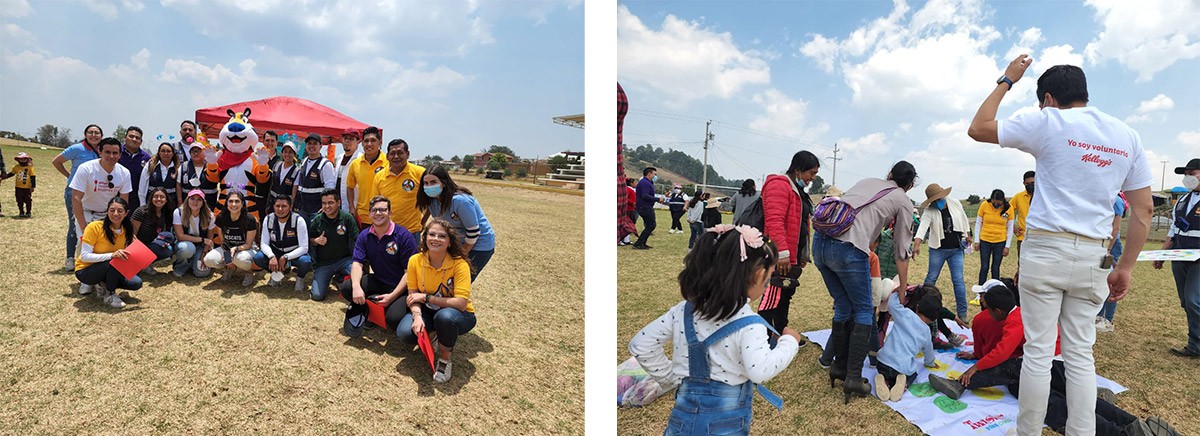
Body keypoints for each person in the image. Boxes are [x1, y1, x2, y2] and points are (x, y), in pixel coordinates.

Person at [967, 55, 1154, 435]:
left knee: (1038, 352)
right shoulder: (1126, 135)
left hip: (1046, 249)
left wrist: (1007, 79)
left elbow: (978, 127)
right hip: (1095, 256)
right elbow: (1144, 209)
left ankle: (1029, 431)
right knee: (1080, 356)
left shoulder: (1049, 121)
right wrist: (1127, 267)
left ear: (1048, 99)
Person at [630, 224, 799, 433]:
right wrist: (789, 342)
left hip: (682, 420)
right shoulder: (750, 324)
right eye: (768, 279)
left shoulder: (683, 311)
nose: (766, 285)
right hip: (727, 423)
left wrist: (669, 379)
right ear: (758, 275)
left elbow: (641, 345)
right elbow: (760, 371)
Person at [816, 161, 916, 404]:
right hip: (849, 251)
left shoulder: (866, 182)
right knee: (863, 310)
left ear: (890, 173)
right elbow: (901, 250)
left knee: (843, 306)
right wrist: (902, 288)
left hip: (820, 245)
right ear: (911, 184)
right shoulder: (903, 200)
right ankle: (852, 377)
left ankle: (838, 367)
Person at [396, 218, 478, 383]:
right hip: (427, 309)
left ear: (449, 242)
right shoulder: (415, 260)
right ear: (425, 238)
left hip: (459, 314)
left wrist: (426, 297)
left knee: (445, 318)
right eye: (431, 234)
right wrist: (417, 316)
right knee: (405, 333)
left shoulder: (459, 264)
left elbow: (461, 303)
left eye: (442, 236)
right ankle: (433, 334)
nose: (436, 239)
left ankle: (445, 358)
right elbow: (412, 294)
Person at [758, 151, 819, 339]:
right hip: (780, 254)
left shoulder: (796, 189)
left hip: (791, 254)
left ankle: (780, 332)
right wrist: (782, 254)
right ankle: (761, 337)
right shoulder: (779, 185)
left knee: (785, 294)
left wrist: (800, 255)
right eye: (811, 173)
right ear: (798, 170)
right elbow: (774, 221)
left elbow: (799, 224)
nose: (813, 178)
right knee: (772, 295)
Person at [340, 195, 418, 337]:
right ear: (369, 214)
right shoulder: (364, 236)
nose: (378, 213)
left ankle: (381, 308)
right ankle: (370, 311)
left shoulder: (404, 236)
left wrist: (392, 296)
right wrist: (357, 287)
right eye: (374, 210)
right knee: (347, 288)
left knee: (393, 320)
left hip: (401, 287)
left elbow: (410, 273)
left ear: (390, 213)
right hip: (379, 280)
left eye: (382, 210)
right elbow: (357, 263)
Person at [416, 165, 497, 282]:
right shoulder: (432, 200)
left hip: (479, 245)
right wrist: (422, 224)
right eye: (426, 183)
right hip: (459, 243)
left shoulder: (460, 201)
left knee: (459, 280)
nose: (429, 186)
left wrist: (459, 256)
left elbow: (474, 232)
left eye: (433, 182)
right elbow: (431, 211)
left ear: (443, 182)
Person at [1156, 158, 1200, 358]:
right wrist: (1163, 254)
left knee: (1193, 300)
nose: (1188, 178)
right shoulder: (1182, 200)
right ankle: (1194, 345)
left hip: (1198, 260)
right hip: (1180, 255)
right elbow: (1174, 230)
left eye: (1192, 173)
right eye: (1186, 174)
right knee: (1185, 301)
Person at [69, 138, 133, 267]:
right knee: (83, 243)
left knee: (107, 244)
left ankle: (101, 278)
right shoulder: (86, 168)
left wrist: (120, 220)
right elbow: (76, 198)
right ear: (100, 152)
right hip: (86, 211)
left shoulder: (124, 172)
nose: (111, 156)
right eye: (107, 152)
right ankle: (85, 278)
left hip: (108, 214)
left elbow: (124, 200)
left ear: (120, 154)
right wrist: (83, 225)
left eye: (115, 153)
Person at [913, 183, 972, 320]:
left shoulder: (955, 203)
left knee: (958, 281)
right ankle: (921, 308)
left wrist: (967, 235)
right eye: (934, 201)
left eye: (938, 199)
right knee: (931, 279)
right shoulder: (929, 211)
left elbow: (964, 220)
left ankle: (962, 314)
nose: (937, 202)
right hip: (938, 250)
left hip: (956, 249)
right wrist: (917, 243)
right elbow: (922, 227)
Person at [75, 197, 142, 308]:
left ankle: (102, 283)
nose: (115, 214)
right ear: (107, 211)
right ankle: (109, 294)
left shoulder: (127, 231)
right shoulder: (94, 227)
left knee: (136, 283)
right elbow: (85, 256)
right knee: (114, 260)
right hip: (86, 270)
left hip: (110, 266)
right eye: (112, 210)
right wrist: (112, 255)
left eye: (120, 211)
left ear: (126, 213)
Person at [874, 289, 941, 402]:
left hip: (882, 362)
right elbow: (928, 352)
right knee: (913, 373)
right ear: (933, 319)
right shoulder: (926, 332)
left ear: (918, 307)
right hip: (902, 368)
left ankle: (884, 380)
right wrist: (930, 362)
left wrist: (899, 292)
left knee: (886, 371)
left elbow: (892, 304)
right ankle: (904, 383)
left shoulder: (905, 314)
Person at [51, 123, 102, 270]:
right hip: (75, 193)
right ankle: (70, 258)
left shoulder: (101, 150)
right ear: (85, 134)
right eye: (90, 132)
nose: (94, 135)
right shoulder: (77, 148)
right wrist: (69, 176)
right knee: (75, 225)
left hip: (94, 193)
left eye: (97, 133)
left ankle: (90, 256)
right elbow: (56, 161)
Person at [253, 195, 313, 291]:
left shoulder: (298, 220)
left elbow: (304, 247)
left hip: (294, 252)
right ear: (273, 207)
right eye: (277, 206)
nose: (280, 209)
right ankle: (276, 275)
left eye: (284, 206)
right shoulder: (268, 219)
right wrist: (271, 256)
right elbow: (264, 243)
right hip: (276, 251)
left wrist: (286, 257)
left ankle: (300, 278)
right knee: (258, 258)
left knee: (305, 261)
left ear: (290, 207)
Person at [308, 188, 359, 300]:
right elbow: (309, 239)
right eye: (324, 203)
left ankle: (340, 278)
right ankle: (329, 277)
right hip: (324, 263)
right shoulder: (317, 220)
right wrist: (316, 241)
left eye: (330, 202)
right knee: (317, 296)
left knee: (359, 276)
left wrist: (357, 261)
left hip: (344, 260)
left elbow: (356, 239)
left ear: (338, 202)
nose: (327, 206)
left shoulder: (347, 218)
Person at [203, 190, 258, 286]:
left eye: (237, 201)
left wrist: (235, 249)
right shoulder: (221, 217)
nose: (234, 204)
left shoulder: (250, 219)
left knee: (240, 259)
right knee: (208, 259)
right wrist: (228, 257)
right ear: (226, 203)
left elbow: (248, 244)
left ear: (242, 204)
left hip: (246, 249)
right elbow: (223, 242)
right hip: (228, 248)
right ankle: (230, 268)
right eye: (231, 201)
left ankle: (248, 272)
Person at [373, 138, 426, 235]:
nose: (396, 156)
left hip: (412, 231)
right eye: (392, 153)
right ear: (387, 156)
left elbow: (431, 201)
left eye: (400, 153)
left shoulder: (420, 173)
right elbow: (376, 204)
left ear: (408, 154)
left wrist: (423, 222)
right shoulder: (379, 176)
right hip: (387, 231)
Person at [345, 126, 388, 228]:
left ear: (380, 142)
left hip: (384, 216)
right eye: (366, 141)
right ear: (362, 143)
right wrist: (352, 207)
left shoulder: (388, 162)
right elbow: (350, 187)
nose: (369, 144)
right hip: (363, 216)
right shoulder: (355, 164)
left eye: (373, 140)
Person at [1096, 194, 1127, 333]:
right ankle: (1099, 316)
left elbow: (1115, 227)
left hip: (1111, 245)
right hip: (1100, 243)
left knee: (1110, 283)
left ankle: (1108, 319)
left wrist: (1108, 249)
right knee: (1100, 282)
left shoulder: (1116, 200)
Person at [131, 187, 175, 275]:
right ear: (151, 198)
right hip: (136, 245)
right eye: (156, 196)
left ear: (166, 200)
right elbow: (131, 234)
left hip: (150, 244)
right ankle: (139, 262)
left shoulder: (164, 213)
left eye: (162, 197)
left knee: (168, 250)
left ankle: (145, 263)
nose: (159, 199)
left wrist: (162, 242)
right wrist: (140, 251)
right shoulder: (141, 211)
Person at [172, 189, 216, 278]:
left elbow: (210, 237)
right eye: (192, 198)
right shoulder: (179, 212)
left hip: (201, 246)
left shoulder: (210, 216)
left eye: (199, 199)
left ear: (203, 202)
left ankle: (192, 262)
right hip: (184, 244)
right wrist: (202, 239)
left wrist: (204, 253)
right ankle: (181, 266)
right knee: (188, 249)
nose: (195, 202)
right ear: (187, 199)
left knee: (202, 273)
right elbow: (180, 236)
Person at [974, 189, 1014, 286]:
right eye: (994, 201)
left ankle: (995, 291)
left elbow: (1010, 228)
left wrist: (1007, 246)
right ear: (991, 199)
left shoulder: (1009, 208)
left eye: (998, 202)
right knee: (984, 267)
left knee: (995, 268)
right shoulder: (984, 205)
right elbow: (978, 223)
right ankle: (980, 291)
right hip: (985, 241)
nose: (996, 204)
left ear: (1002, 200)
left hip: (1000, 242)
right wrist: (976, 241)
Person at [293, 133, 335, 219]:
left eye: (315, 143)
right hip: (302, 208)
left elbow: (330, 188)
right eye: (309, 143)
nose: (311, 146)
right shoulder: (303, 161)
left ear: (320, 146)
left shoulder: (325, 164)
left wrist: (326, 206)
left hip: (317, 210)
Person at [177, 141, 219, 211]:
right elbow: (178, 184)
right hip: (189, 206)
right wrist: (180, 201)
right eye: (193, 152)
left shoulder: (212, 165)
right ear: (190, 154)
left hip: (209, 205)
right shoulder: (183, 167)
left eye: (199, 151)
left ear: (204, 153)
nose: (196, 153)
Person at [138, 142, 180, 212]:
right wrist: (143, 204)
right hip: (152, 202)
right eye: (163, 151)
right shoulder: (150, 165)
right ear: (159, 153)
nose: (165, 153)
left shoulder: (178, 167)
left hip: (170, 204)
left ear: (173, 153)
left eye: (168, 151)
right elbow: (142, 185)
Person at [332, 128, 364, 214]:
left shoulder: (361, 159)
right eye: (345, 138)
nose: (347, 141)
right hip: (337, 204)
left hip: (354, 205)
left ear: (358, 141)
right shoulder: (339, 158)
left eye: (351, 139)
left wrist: (353, 206)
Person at [118, 126, 149, 211]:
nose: (134, 139)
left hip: (136, 198)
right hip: (116, 195)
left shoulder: (146, 158)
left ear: (141, 141)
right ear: (125, 138)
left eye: (137, 138)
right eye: (131, 136)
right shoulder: (116, 153)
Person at [631, 167, 663, 250]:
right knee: (651, 225)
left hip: (645, 206)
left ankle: (642, 243)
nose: (655, 176)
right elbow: (645, 195)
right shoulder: (645, 183)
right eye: (654, 174)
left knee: (649, 225)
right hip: (645, 207)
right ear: (649, 174)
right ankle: (638, 243)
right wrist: (657, 199)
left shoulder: (648, 182)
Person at [266, 140, 300, 217]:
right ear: (282, 153)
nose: (287, 154)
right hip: (273, 203)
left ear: (294, 154)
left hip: (285, 206)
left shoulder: (296, 171)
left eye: (290, 152)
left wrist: (291, 206)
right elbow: (271, 185)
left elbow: (294, 192)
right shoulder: (277, 165)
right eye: (285, 151)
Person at [1, 152, 35, 217]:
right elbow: (11, 174)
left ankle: (28, 212)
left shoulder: (30, 167)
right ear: (18, 160)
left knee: (28, 200)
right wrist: (3, 177)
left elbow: (33, 177)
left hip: (27, 188)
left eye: (24, 159)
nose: (22, 160)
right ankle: (21, 212)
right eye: (21, 159)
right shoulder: (16, 167)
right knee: (19, 200)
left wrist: (32, 186)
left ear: (27, 159)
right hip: (18, 187)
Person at [1011, 171, 1035, 256]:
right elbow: (1005, 213)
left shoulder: (1044, 196)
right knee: (1022, 266)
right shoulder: (1018, 197)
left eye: (1033, 183)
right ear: (1023, 183)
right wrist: (1012, 227)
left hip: (1040, 238)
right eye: (1027, 183)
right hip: (1023, 238)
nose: (1030, 185)